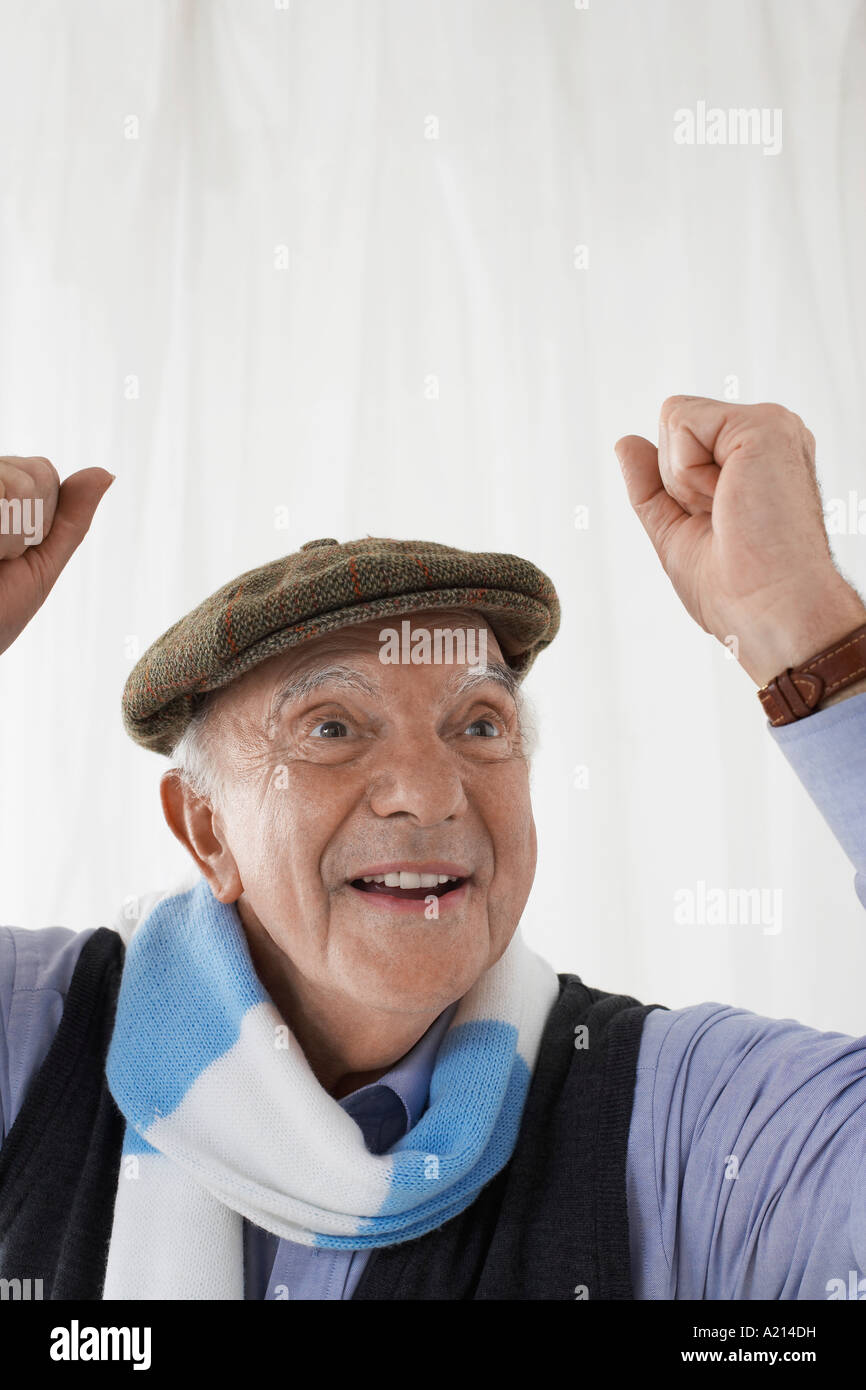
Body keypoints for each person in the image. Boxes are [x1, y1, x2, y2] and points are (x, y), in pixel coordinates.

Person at [1, 396, 864, 1301]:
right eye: (331, 727)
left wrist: (802, 627)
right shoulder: (38, 1040)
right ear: (207, 831)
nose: (431, 790)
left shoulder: (681, 1123)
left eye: (480, 724)